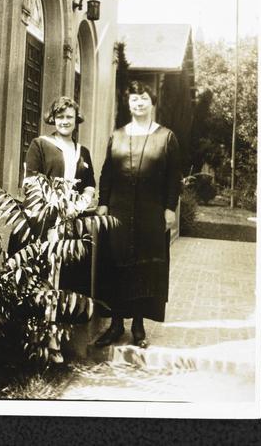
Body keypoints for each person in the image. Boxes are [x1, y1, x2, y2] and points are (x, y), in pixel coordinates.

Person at [94, 80, 181, 349]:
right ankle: (116, 325)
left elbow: (173, 178)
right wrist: (103, 204)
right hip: (118, 213)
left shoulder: (166, 137)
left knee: (144, 268)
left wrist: (169, 209)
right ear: (128, 104)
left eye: (143, 98)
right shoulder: (117, 135)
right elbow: (106, 174)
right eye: (134, 99)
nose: (139, 103)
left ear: (152, 102)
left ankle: (139, 326)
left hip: (150, 214)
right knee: (116, 265)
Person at [14, 96, 96, 362]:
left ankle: (55, 341)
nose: (64, 121)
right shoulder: (40, 145)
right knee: (41, 275)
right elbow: (30, 182)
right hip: (42, 223)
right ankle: (33, 340)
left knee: (65, 281)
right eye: (60, 117)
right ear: (53, 118)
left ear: (76, 120)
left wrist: (79, 204)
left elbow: (90, 184)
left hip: (70, 224)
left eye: (69, 117)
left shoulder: (82, 152)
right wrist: (54, 204)